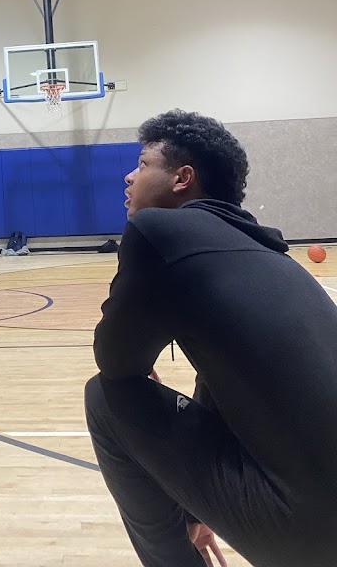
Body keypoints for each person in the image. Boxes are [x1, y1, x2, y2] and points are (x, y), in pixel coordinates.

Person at [86, 109, 337, 567]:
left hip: (307, 531)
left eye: (142, 164)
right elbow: (219, 380)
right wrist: (197, 508)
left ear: (182, 178)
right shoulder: (270, 251)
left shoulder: (157, 230)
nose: (129, 177)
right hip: (319, 517)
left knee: (106, 397)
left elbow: (115, 361)